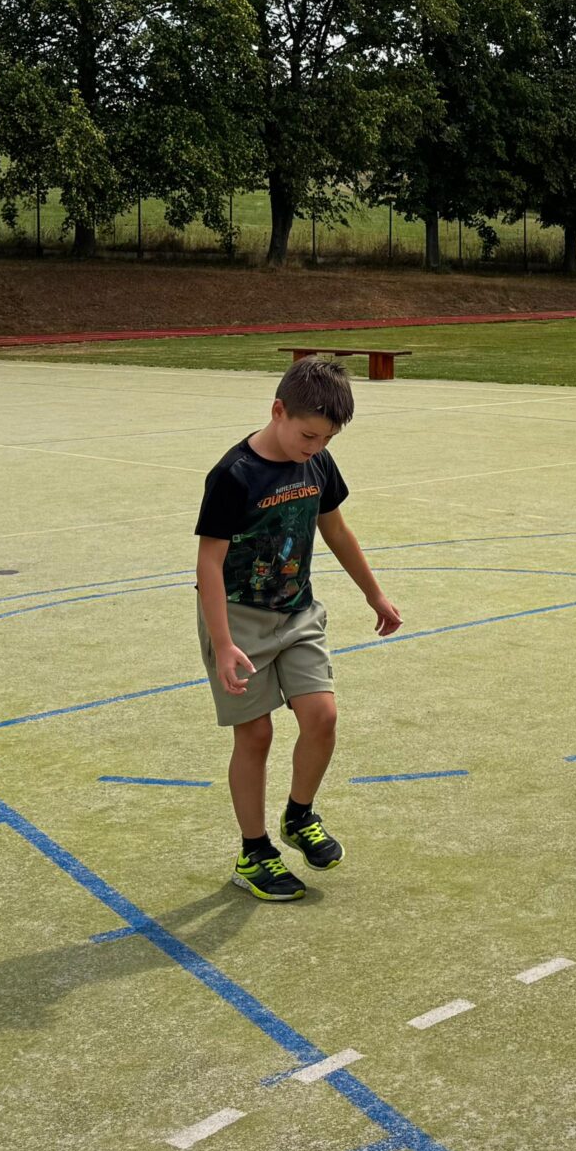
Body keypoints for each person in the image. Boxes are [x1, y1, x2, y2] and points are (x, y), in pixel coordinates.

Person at [194, 356, 404, 902]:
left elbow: (336, 530)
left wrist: (373, 592)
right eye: (309, 435)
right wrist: (223, 644)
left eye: (327, 439)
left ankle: (299, 815)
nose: (316, 447)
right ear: (278, 411)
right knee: (256, 734)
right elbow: (209, 563)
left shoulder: (318, 464)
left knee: (322, 716)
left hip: (298, 612)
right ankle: (254, 852)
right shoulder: (234, 475)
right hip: (239, 620)